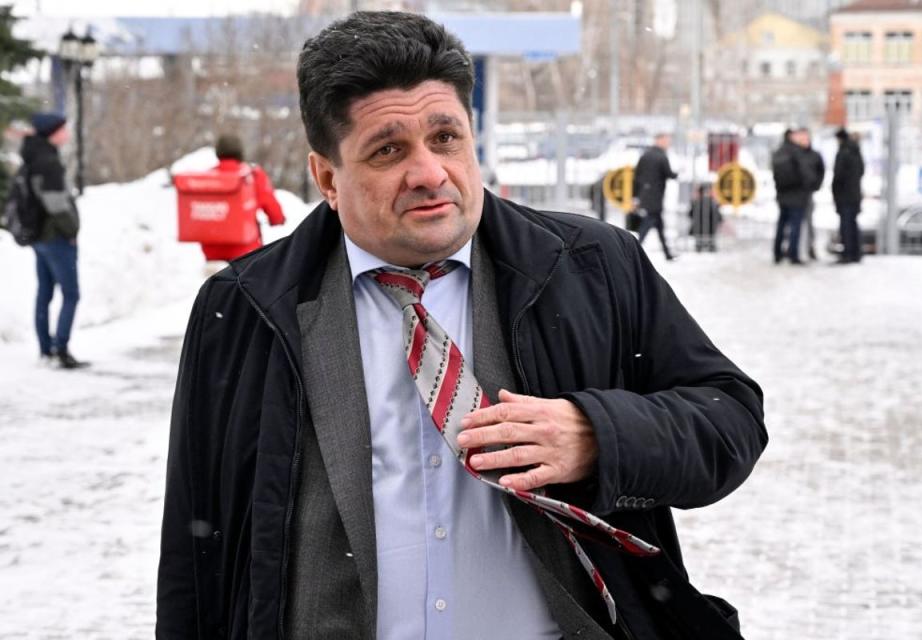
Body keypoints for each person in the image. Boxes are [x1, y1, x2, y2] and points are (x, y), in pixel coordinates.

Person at [157, 12, 767, 640]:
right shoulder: (248, 308)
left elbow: (731, 421)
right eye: (388, 150)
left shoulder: (592, 269)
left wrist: (596, 435)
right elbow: (193, 546)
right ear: (327, 178)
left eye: (445, 138)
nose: (428, 173)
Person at [22, 112, 86, 369]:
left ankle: (45, 349)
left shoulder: (33, 155)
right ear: (53, 133)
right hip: (55, 237)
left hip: (39, 236)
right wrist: (71, 231)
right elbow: (56, 204)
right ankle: (61, 348)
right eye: (64, 129)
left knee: (44, 293)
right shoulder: (48, 161)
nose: (68, 133)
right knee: (71, 293)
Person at [198, 134, 286, 263]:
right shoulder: (252, 176)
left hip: (212, 253)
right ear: (240, 153)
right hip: (245, 254)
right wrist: (277, 219)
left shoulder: (207, 178)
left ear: (218, 153)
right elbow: (271, 206)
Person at [771, 128, 816, 264]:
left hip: (782, 195)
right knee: (795, 226)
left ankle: (777, 253)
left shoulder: (779, 152)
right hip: (797, 195)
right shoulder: (797, 152)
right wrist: (810, 184)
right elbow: (805, 174)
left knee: (781, 225)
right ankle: (793, 254)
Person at [632, 132, 678, 260]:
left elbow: (636, 176)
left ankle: (667, 253)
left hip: (645, 195)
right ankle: (634, 249)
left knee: (658, 225)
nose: (668, 144)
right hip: (656, 197)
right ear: (659, 140)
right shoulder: (661, 156)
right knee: (647, 224)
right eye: (666, 140)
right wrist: (678, 173)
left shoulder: (645, 155)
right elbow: (669, 174)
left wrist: (636, 196)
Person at [831, 128, 865, 264]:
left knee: (845, 226)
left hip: (844, 195)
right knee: (853, 224)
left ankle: (848, 254)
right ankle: (856, 253)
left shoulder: (843, 152)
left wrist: (835, 191)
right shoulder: (857, 152)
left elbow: (838, 175)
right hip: (855, 194)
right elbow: (862, 171)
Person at [795, 127, 825, 261]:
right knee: (795, 223)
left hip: (807, 194)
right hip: (795, 194)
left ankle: (810, 247)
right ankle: (794, 249)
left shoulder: (814, 155)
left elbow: (821, 171)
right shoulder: (794, 154)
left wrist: (815, 185)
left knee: (809, 222)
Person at [688, 182, 723, 252]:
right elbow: (719, 218)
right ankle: (710, 246)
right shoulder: (712, 203)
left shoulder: (697, 202)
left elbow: (690, 214)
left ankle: (701, 246)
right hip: (710, 231)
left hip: (699, 231)